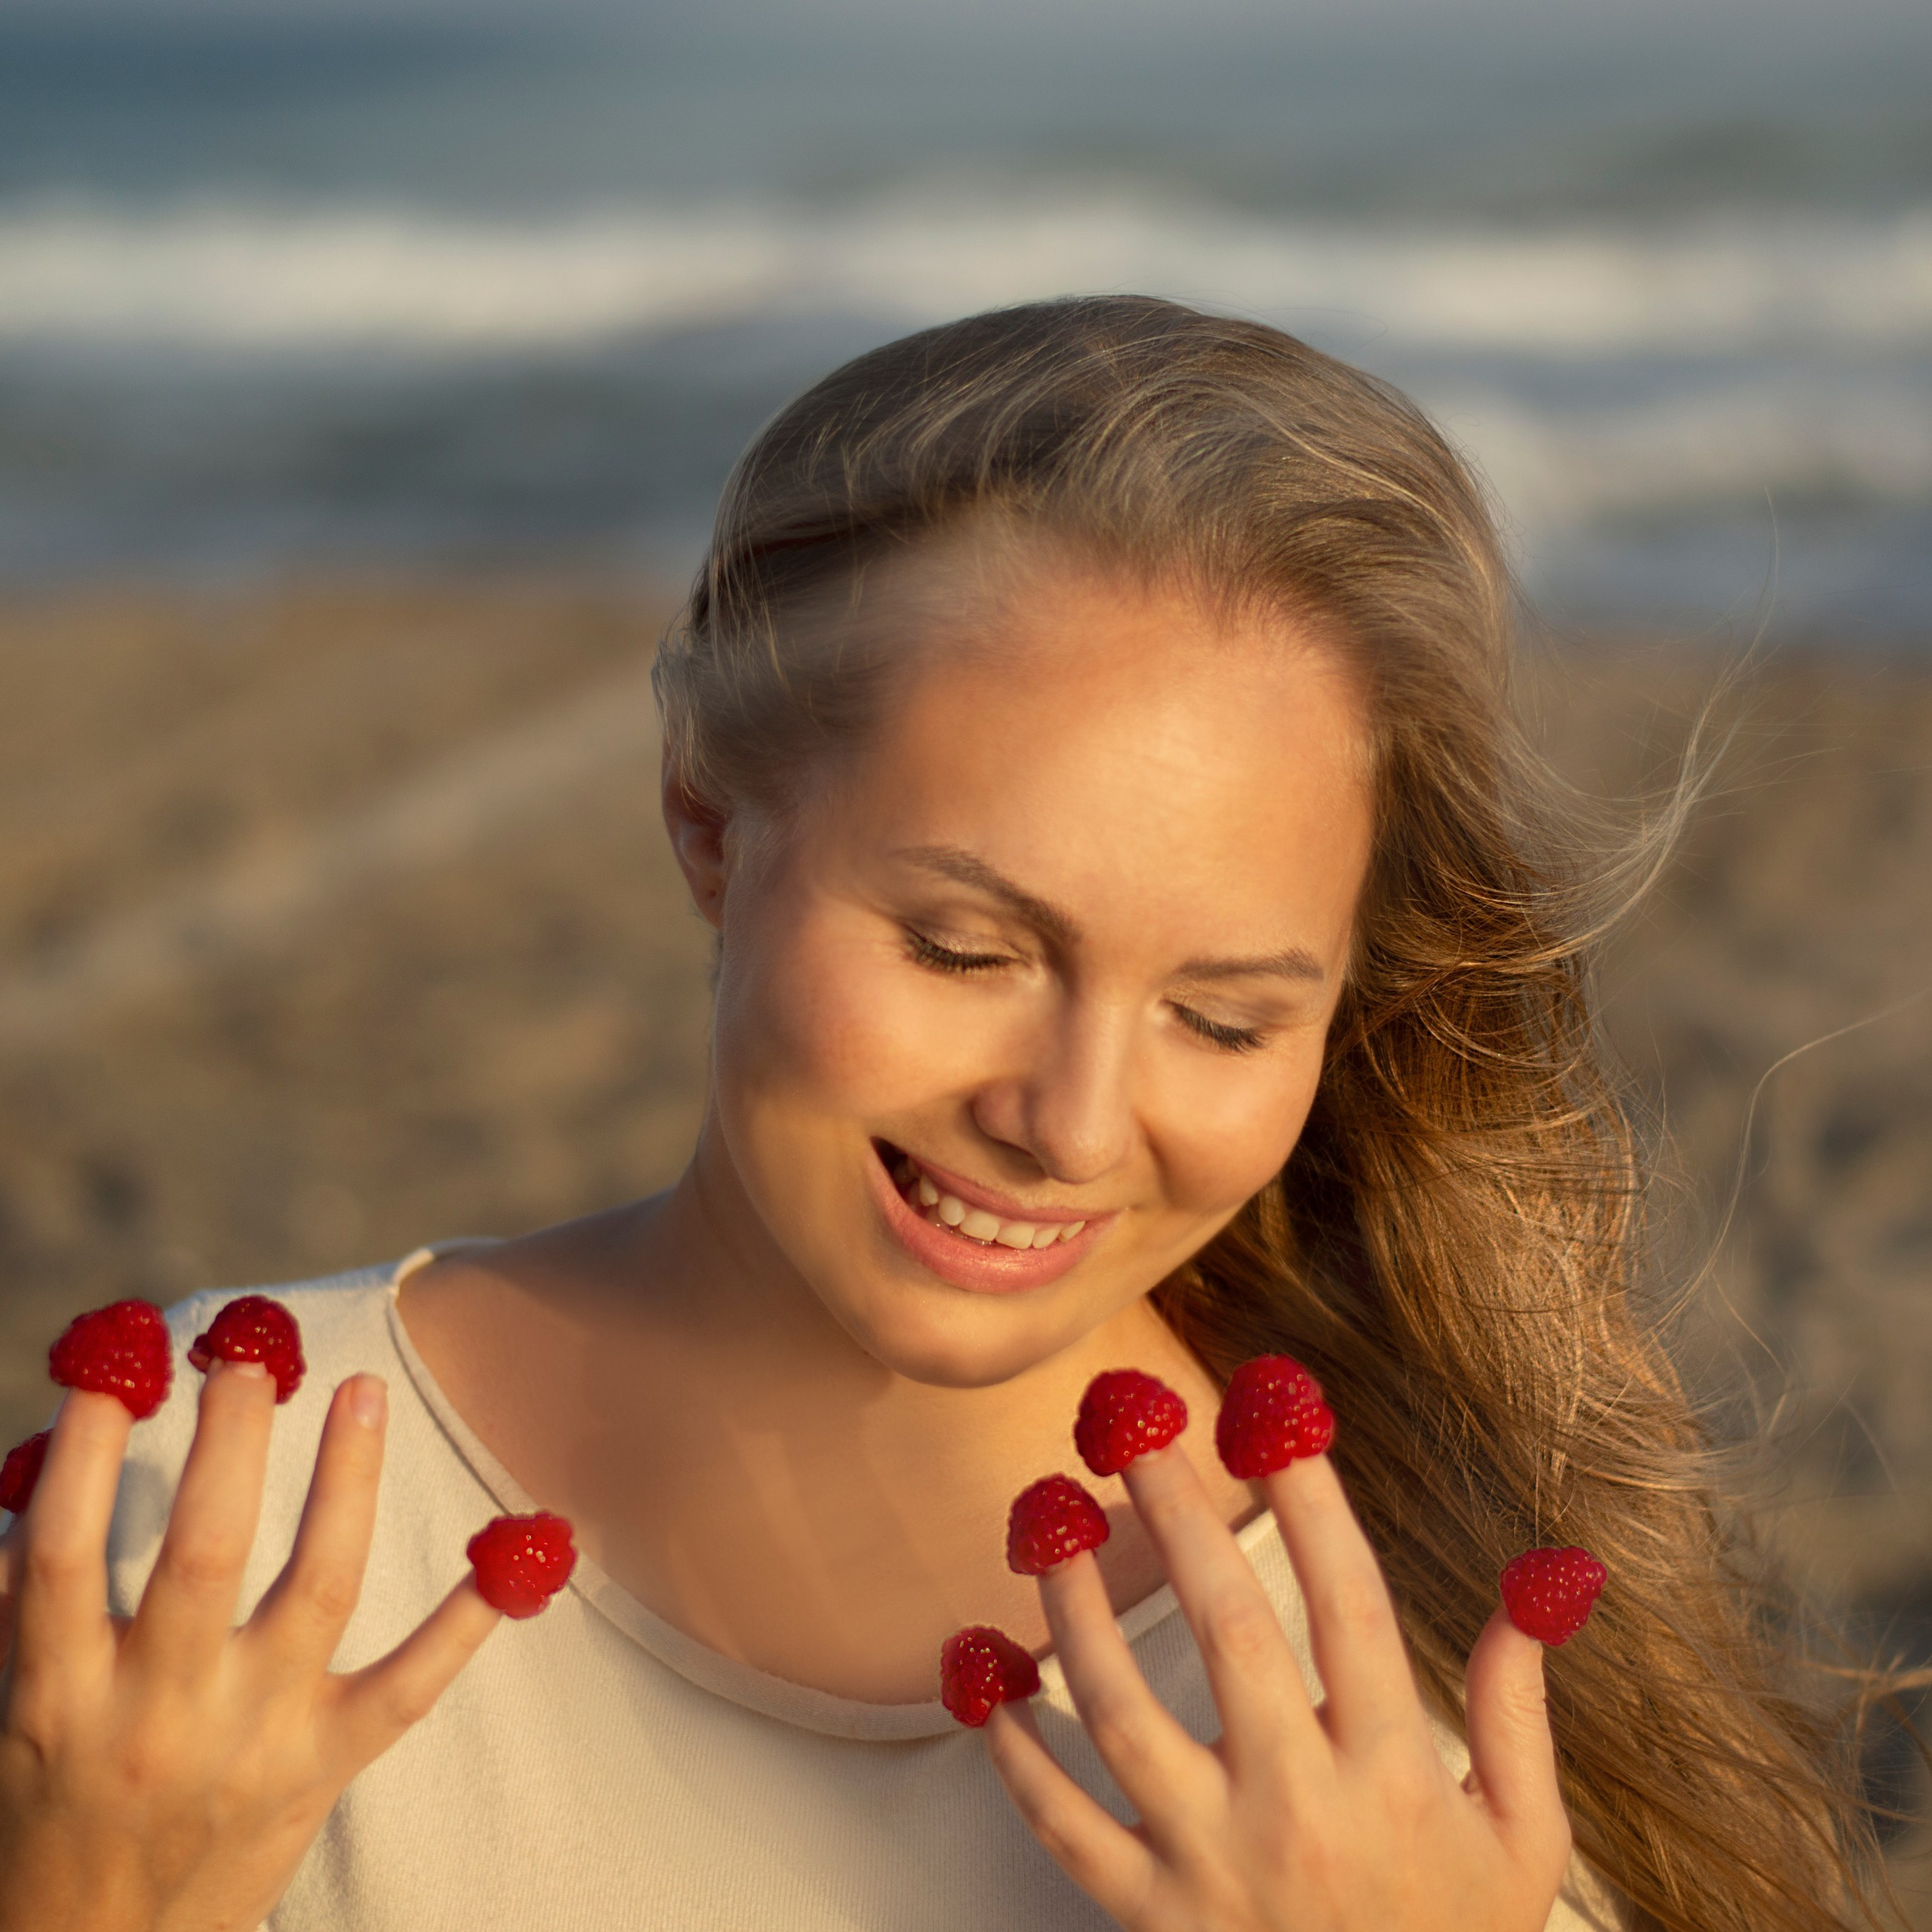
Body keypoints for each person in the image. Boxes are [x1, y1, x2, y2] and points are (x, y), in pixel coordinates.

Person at [0, 298, 1889, 1931]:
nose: (1068, 1118)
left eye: (1221, 1015)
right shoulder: (190, 1521)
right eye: (965, 944)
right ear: (707, 823)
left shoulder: (1415, 1715)